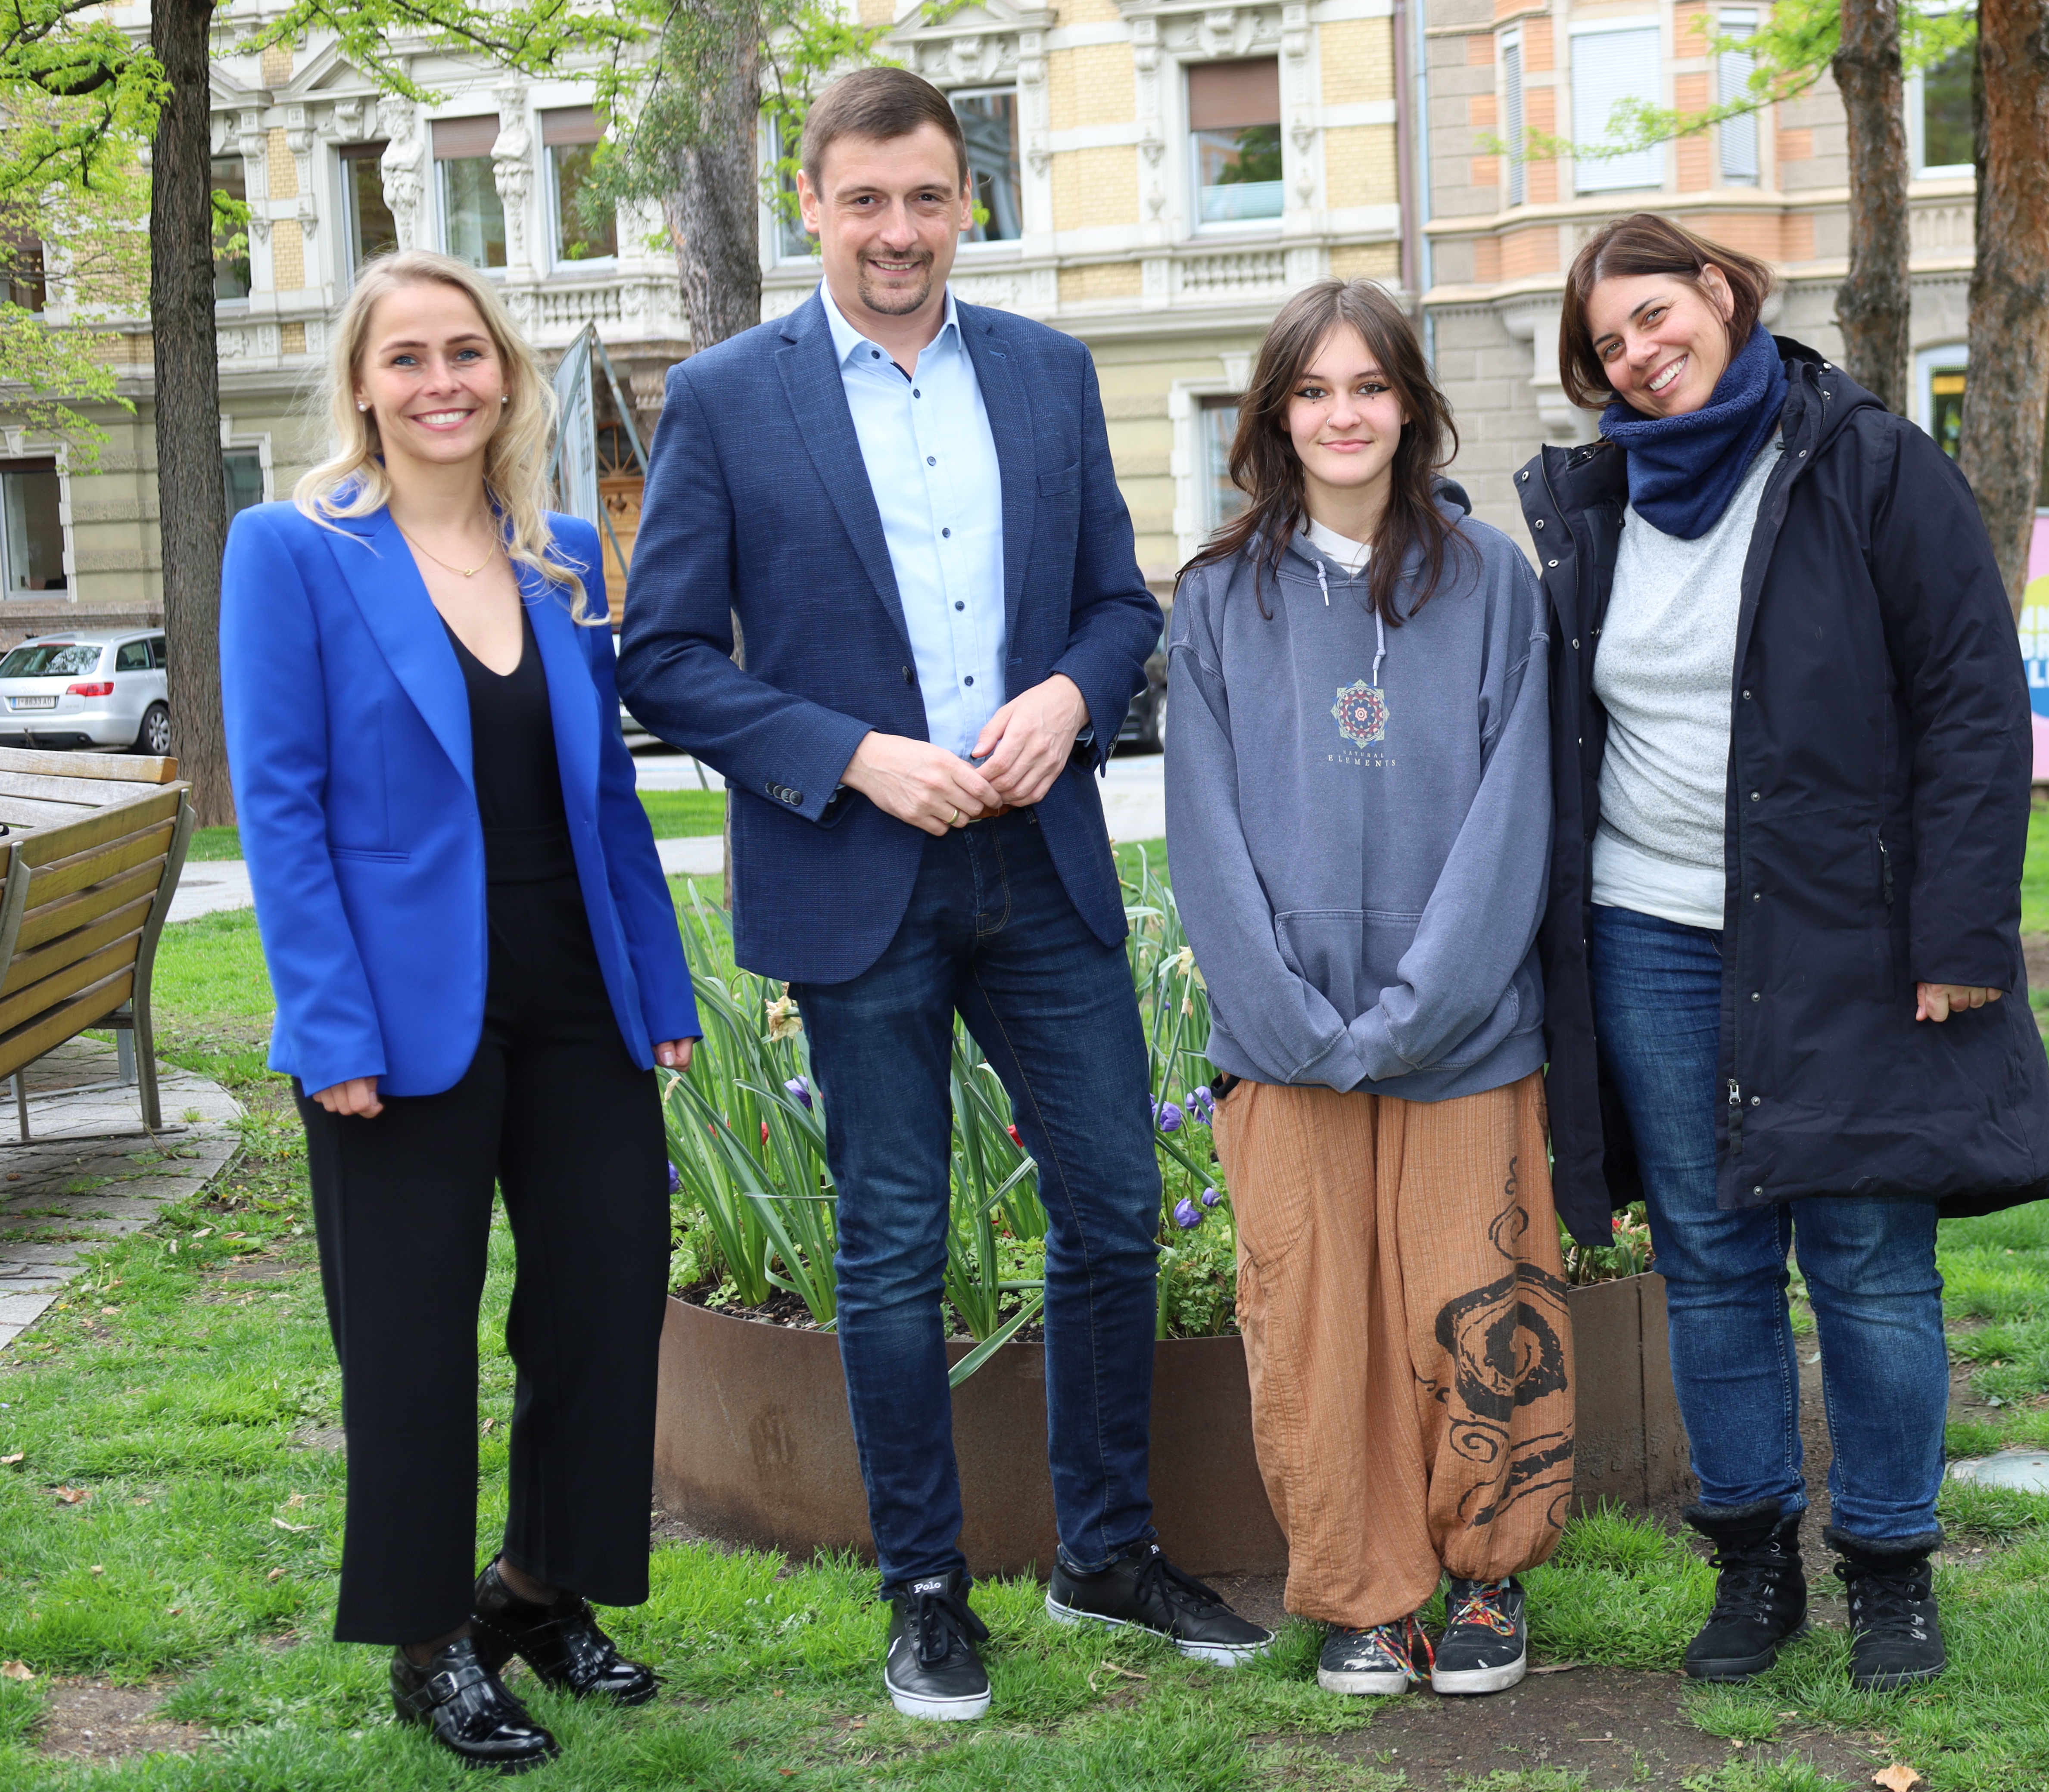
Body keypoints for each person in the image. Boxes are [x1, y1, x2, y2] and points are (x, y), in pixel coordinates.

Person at [616, 67, 1269, 1721]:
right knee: (893, 1245)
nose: (897, 231)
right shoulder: (725, 398)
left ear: (965, 200)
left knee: (1115, 1210)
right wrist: (851, 756)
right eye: (864, 201)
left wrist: (1071, 695)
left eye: (926, 198)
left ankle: (1108, 1554)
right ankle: (925, 1589)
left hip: (1038, 863)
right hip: (858, 871)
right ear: (812, 207)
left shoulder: (1050, 376)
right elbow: (671, 661)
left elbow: (1122, 606)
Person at [1515, 215, 2049, 1693]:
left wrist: (1961, 931)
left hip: (1847, 935)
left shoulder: (1870, 463)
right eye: (1609, 347)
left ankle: (1889, 1566)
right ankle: (1752, 1562)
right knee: (1709, 1259)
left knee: (1872, 1257)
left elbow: (1970, 703)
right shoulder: (1597, 502)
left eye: (1653, 314)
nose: (1640, 355)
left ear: (1721, 291)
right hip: (1651, 932)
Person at [221, 250, 701, 1773]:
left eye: (467, 354)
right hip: (397, 1011)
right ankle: (428, 1647)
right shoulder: (290, 549)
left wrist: (660, 980)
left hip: (576, 993)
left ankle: (537, 1594)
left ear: (507, 374)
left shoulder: (560, 549)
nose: (443, 382)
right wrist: (330, 1027)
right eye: (409, 357)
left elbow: (608, 796)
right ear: (363, 384)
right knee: (412, 1343)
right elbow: (280, 812)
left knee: (604, 1306)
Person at [1167, 280, 1564, 1699]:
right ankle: (1361, 1594)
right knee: (1316, 1318)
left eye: (1370, 387)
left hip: (1461, 1031)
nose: (1344, 415)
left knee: (1473, 1299)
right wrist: (1285, 1015)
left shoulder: (1494, 581)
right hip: (1283, 1040)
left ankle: (1484, 1577)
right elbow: (1201, 827)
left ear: (1411, 405)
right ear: (1277, 414)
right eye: (1314, 391)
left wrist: (1420, 1008)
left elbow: (1515, 813)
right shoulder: (1216, 597)